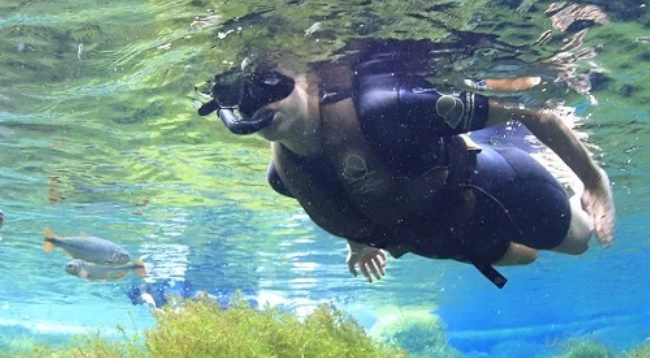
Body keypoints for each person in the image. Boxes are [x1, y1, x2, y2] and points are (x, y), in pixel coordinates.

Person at [198, 47, 615, 287]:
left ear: (311, 81)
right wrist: (357, 243)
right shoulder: (285, 177)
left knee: (579, 243)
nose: (260, 105)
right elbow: (344, 196)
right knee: (529, 258)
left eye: (271, 84)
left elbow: (533, 115)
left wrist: (593, 180)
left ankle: (542, 169)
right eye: (244, 97)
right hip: (456, 238)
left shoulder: (386, 111)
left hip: (505, 187)